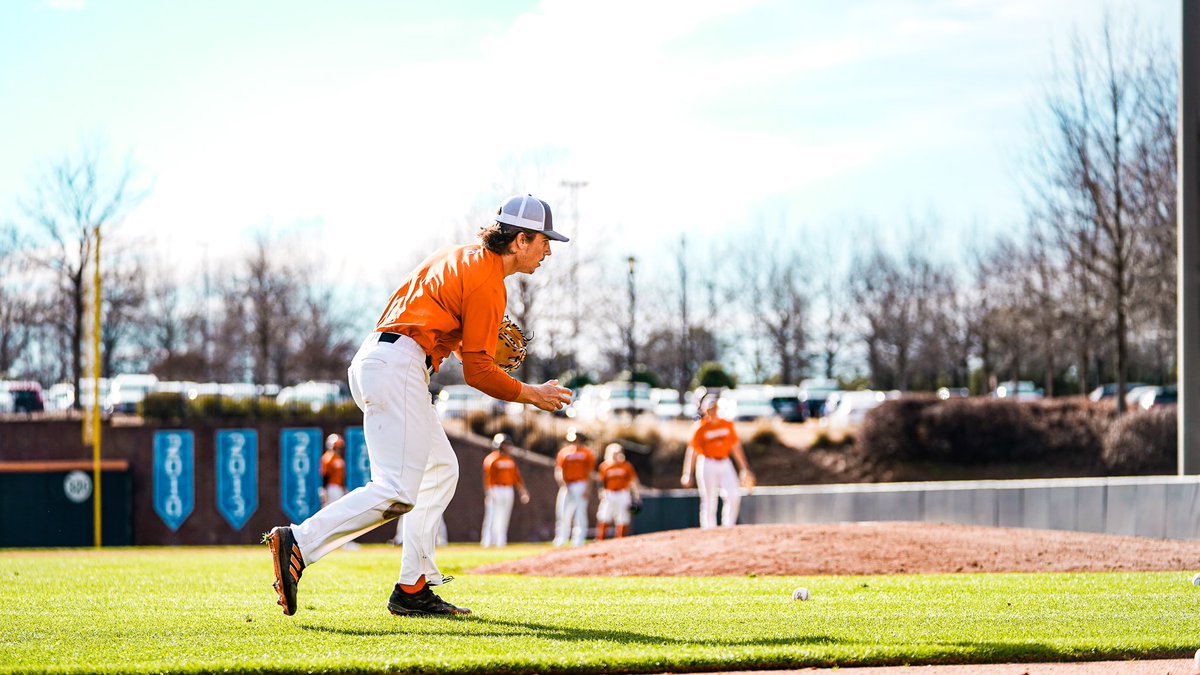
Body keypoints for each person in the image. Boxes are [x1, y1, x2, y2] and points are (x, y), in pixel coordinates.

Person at [264, 193, 573, 618]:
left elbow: (433, 319)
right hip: (400, 365)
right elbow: (479, 374)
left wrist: (465, 344)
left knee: (441, 470)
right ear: (519, 240)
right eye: (543, 240)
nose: (548, 250)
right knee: (395, 490)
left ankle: (413, 586)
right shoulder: (488, 281)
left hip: (381, 356)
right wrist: (531, 394)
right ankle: (300, 541)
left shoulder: (457, 256)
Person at [681, 396, 755, 529]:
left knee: (733, 494)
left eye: (714, 408)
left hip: (725, 462)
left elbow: (736, 448)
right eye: (710, 409)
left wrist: (744, 468)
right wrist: (687, 473)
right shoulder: (700, 428)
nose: (713, 411)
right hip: (707, 462)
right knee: (709, 499)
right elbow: (692, 451)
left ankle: (728, 527)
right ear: (704, 410)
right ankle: (709, 530)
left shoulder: (727, 425)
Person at [480, 433, 530, 548]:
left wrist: (522, 490)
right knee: (492, 514)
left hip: (508, 489)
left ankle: (501, 540)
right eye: (504, 444)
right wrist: (489, 491)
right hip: (496, 488)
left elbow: (516, 477)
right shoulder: (492, 459)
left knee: (504, 515)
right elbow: (488, 477)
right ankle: (487, 541)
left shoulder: (509, 460)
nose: (506, 446)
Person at [553, 427, 595, 547]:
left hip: (581, 484)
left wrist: (588, 488)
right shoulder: (564, 452)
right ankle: (561, 538)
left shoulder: (587, 453)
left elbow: (590, 473)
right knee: (562, 512)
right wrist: (562, 483)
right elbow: (559, 470)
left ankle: (579, 539)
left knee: (580, 513)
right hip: (567, 485)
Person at [319, 433, 360, 550]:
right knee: (333, 515)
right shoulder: (328, 457)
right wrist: (324, 489)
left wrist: (343, 488)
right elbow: (325, 475)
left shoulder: (338, 458)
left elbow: (341, 477)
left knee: (341, 514)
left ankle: (342, 542)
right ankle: (330, 542)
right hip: (331, 489)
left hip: (338, 488)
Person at [595, 442, 641, 540]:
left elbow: (633, 481)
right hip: (609, 493)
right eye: (614, 453)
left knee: (623, 517)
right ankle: (600, 539)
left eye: (618, 453)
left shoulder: (626, 466)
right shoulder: (605, 466)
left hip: (623, 493)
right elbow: (600, 482)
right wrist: (601, 491)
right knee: (604, 515)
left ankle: (621, 540)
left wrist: (637, 494)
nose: (616, 456)